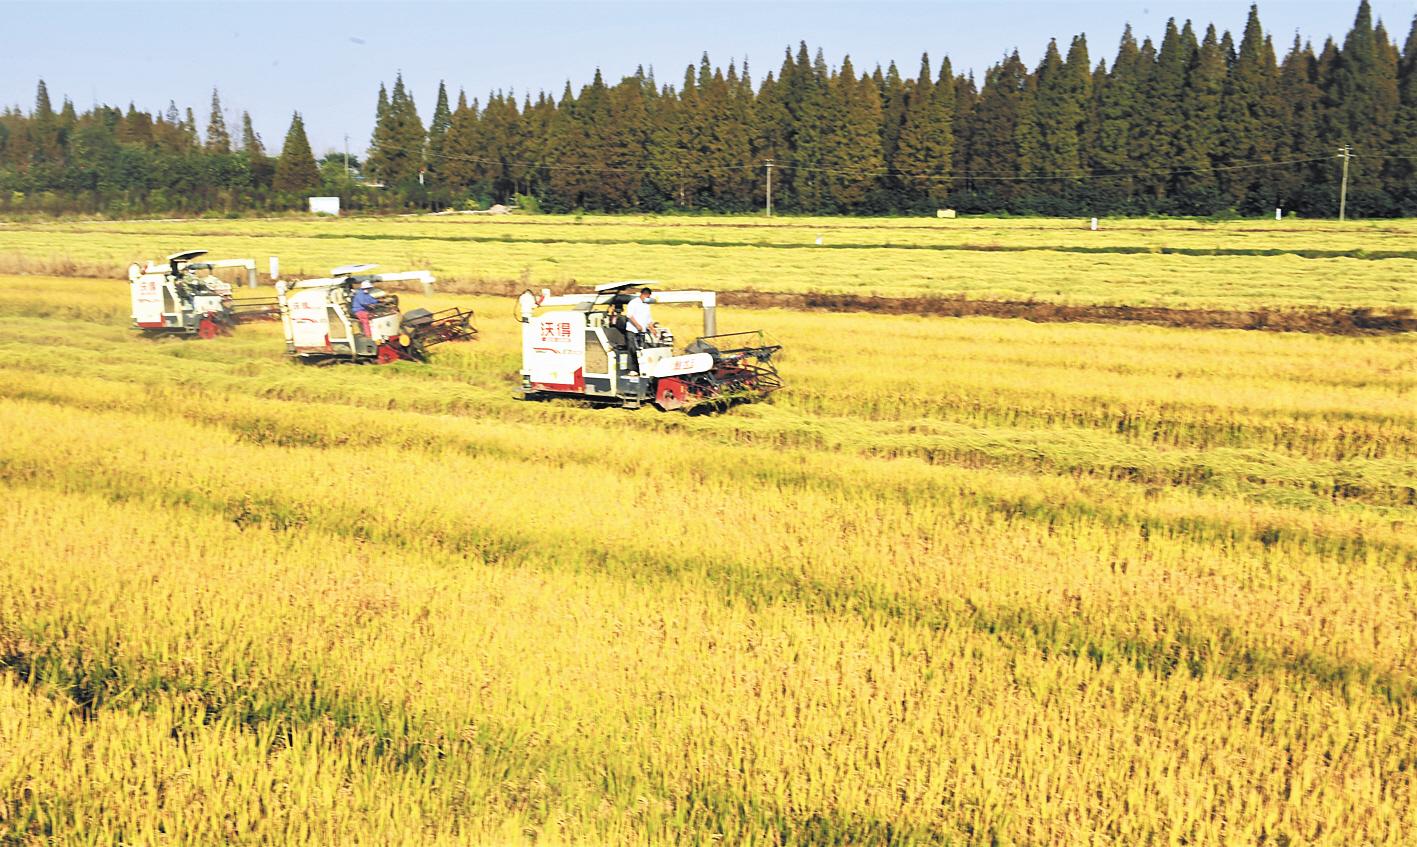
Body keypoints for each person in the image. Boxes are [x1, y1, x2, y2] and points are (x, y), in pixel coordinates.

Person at [623, 287, 656, 373]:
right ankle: (632, 369)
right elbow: (629, 315)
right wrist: (637, 325)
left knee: (642, 350)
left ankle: (641, 369)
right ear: (644, 295)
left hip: (642, 332)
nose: (648, 298)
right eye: (648, 296)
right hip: (632, 330)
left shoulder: (646, 305)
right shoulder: (633, 303)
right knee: (632, 349)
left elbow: (648, 318)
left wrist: (652, 329)